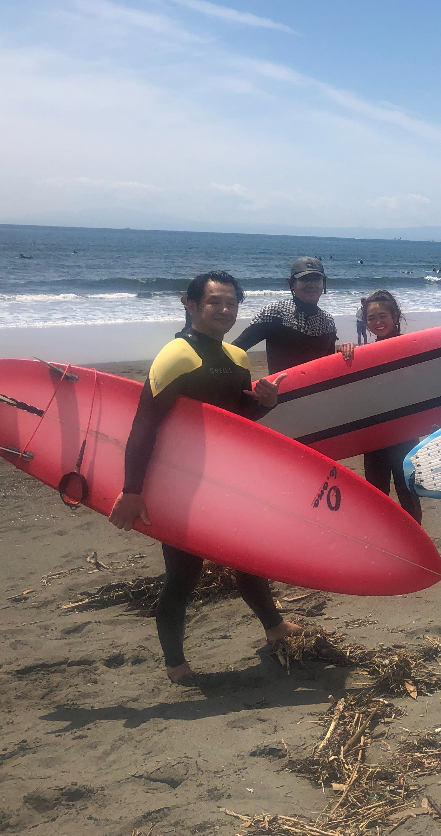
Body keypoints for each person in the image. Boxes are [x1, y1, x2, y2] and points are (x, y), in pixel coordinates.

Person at [108, 271, 301, 684]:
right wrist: (131, 489)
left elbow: (236, 422)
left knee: (247, 559)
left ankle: (274, 627)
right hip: (183, 484)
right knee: (183, 573)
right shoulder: (176, 356)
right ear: (190, 304)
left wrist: (266, 405)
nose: (225, 310)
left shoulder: (237, 360)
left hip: (226, 480)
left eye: (231, 303)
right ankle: (176, 663)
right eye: (215, 302)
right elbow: (144, 426)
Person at [357, 290, 423, 523]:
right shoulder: (364, 353)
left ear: (395, 316)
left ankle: (417, 545)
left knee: (407, 489)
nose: (377, 322)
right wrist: (345, 353)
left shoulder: (409, 346)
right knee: (376, 492)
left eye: (382, 316)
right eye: (371, 318)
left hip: (403, 431)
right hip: (374, 432)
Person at [232, 256, 354, 374]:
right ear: (291, 283)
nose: (311, 284)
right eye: (304, 279)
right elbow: (236, 349)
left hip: (317, 392)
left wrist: (343, 352)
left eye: (316, 279)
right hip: (282, 392)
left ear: (324, 283)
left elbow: (328, 364)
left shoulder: (328, 321)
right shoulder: (274, 313)